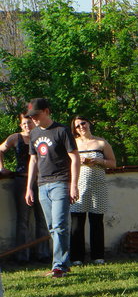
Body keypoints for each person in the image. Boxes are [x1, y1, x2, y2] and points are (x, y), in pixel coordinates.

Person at [25, 98, 80, 278]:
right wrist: (29, 187)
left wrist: (73, 185)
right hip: (42, 185)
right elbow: (33, 160)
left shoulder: (61, 130)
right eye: (31, 117)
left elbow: (75, 158)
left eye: (37, 115)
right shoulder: (33, 134)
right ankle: (63, 262)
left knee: (60, 225)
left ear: (47, 111)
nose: (34, 119)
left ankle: (59, 265)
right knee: (52, 226)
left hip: (61, 182)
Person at [0, 113, 49, 263]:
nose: (27, 126)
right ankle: (22, 256)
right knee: (23, 219)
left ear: (34, 123)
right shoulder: (16, 138)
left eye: (29, 123)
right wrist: (1, 168)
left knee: (43, 218)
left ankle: (43, 254)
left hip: (41, 180)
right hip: (22, 180)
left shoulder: (41, 136)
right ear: (21, 125)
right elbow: (0, 149)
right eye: (24, 124)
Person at [69, 116, 117, 266]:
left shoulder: (101, 142)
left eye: (83, 123)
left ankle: (98, 256)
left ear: (89, 123)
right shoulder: (73, 143)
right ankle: (76, 257)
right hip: (78, 185)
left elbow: (113, 163)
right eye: (77, 126)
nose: (81, 127)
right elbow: (67, 163)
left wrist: (99, 161)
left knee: (96, 221)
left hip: (98, 185)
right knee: (77, 221)